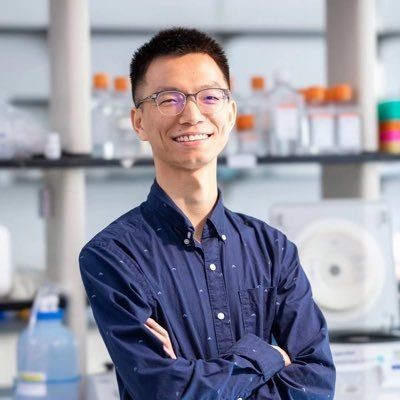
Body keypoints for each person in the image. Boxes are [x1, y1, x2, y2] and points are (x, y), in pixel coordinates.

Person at [79, 27, 335, 399]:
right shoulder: (113, 255)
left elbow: (316, 382)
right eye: (169, 99)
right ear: (139, 122)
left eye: (210, 97)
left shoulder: (273, 249)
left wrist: (194, 375)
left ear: (230, 114)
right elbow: (162, 390)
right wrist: (265, 355)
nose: (193, 114)